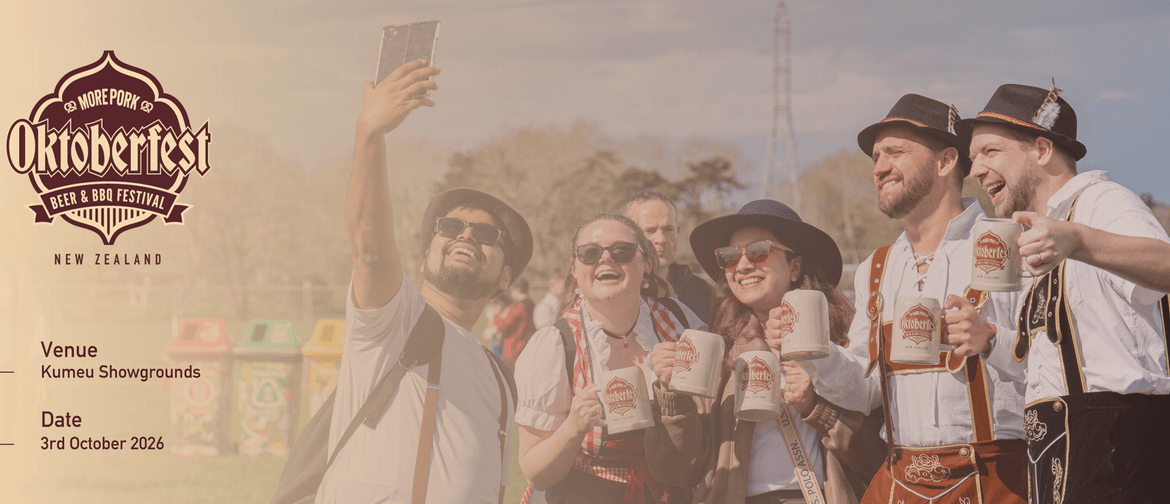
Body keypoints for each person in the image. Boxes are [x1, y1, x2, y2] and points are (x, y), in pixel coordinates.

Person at [778, 94, 1028, 503]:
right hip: (902, 482)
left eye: (894, 152)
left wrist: (992, 339)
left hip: (996, 481)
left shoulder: (1002, 244)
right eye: (876, 157)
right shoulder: (876, 268)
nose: (879, 169)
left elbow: (1054, 368)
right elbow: (864, 391)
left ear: (946, 162)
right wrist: (814, 351)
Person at [316, 59, 533, 503]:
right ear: (425, 256)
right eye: (450, 228)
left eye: (487, 235)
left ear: (505, 276)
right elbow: (372, 253)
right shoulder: (396, 320)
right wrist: (369, 134)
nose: (467, 234)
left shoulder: (500, 376)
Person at [952, 83, 1170, 503]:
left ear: (1041, 149)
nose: (975, 169)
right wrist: (990, 339)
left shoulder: (1099, 201)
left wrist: (1080, 240)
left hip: (1120, 446)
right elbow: (1047, 368)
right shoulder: (1038, 234)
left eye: (990, 152)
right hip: (1060, 444)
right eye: (974, 157)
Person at [653, 199, 877, 504]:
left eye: (759, 252)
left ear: (795, 265)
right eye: (730, 257)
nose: (743, 265)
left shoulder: (845, 344)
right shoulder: (715, 351)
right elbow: (680, 471)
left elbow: (877, 457)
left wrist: (815, 407)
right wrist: (672, 397)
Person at [513, 213, 705, 504]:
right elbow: (534, 473)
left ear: (646, 267)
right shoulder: (554, 345)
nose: (605, 259)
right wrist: (573, 427)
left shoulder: (678, 322)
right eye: (590, 253)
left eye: (622, 251)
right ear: (575, 271)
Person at [626, 190, 715, 323]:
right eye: (650, 231)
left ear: (677, 232)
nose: (661, 239)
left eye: (668, 229)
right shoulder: (618, 289)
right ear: (628, 235)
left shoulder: (703, 292)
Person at [497, 277, 537, 364]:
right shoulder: (532, 304)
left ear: (517, 290)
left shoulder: (518, 307)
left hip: (514, 349)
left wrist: (498, 315)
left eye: (512, 289)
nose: (511, 292)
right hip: (527, 347)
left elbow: (501, 327)